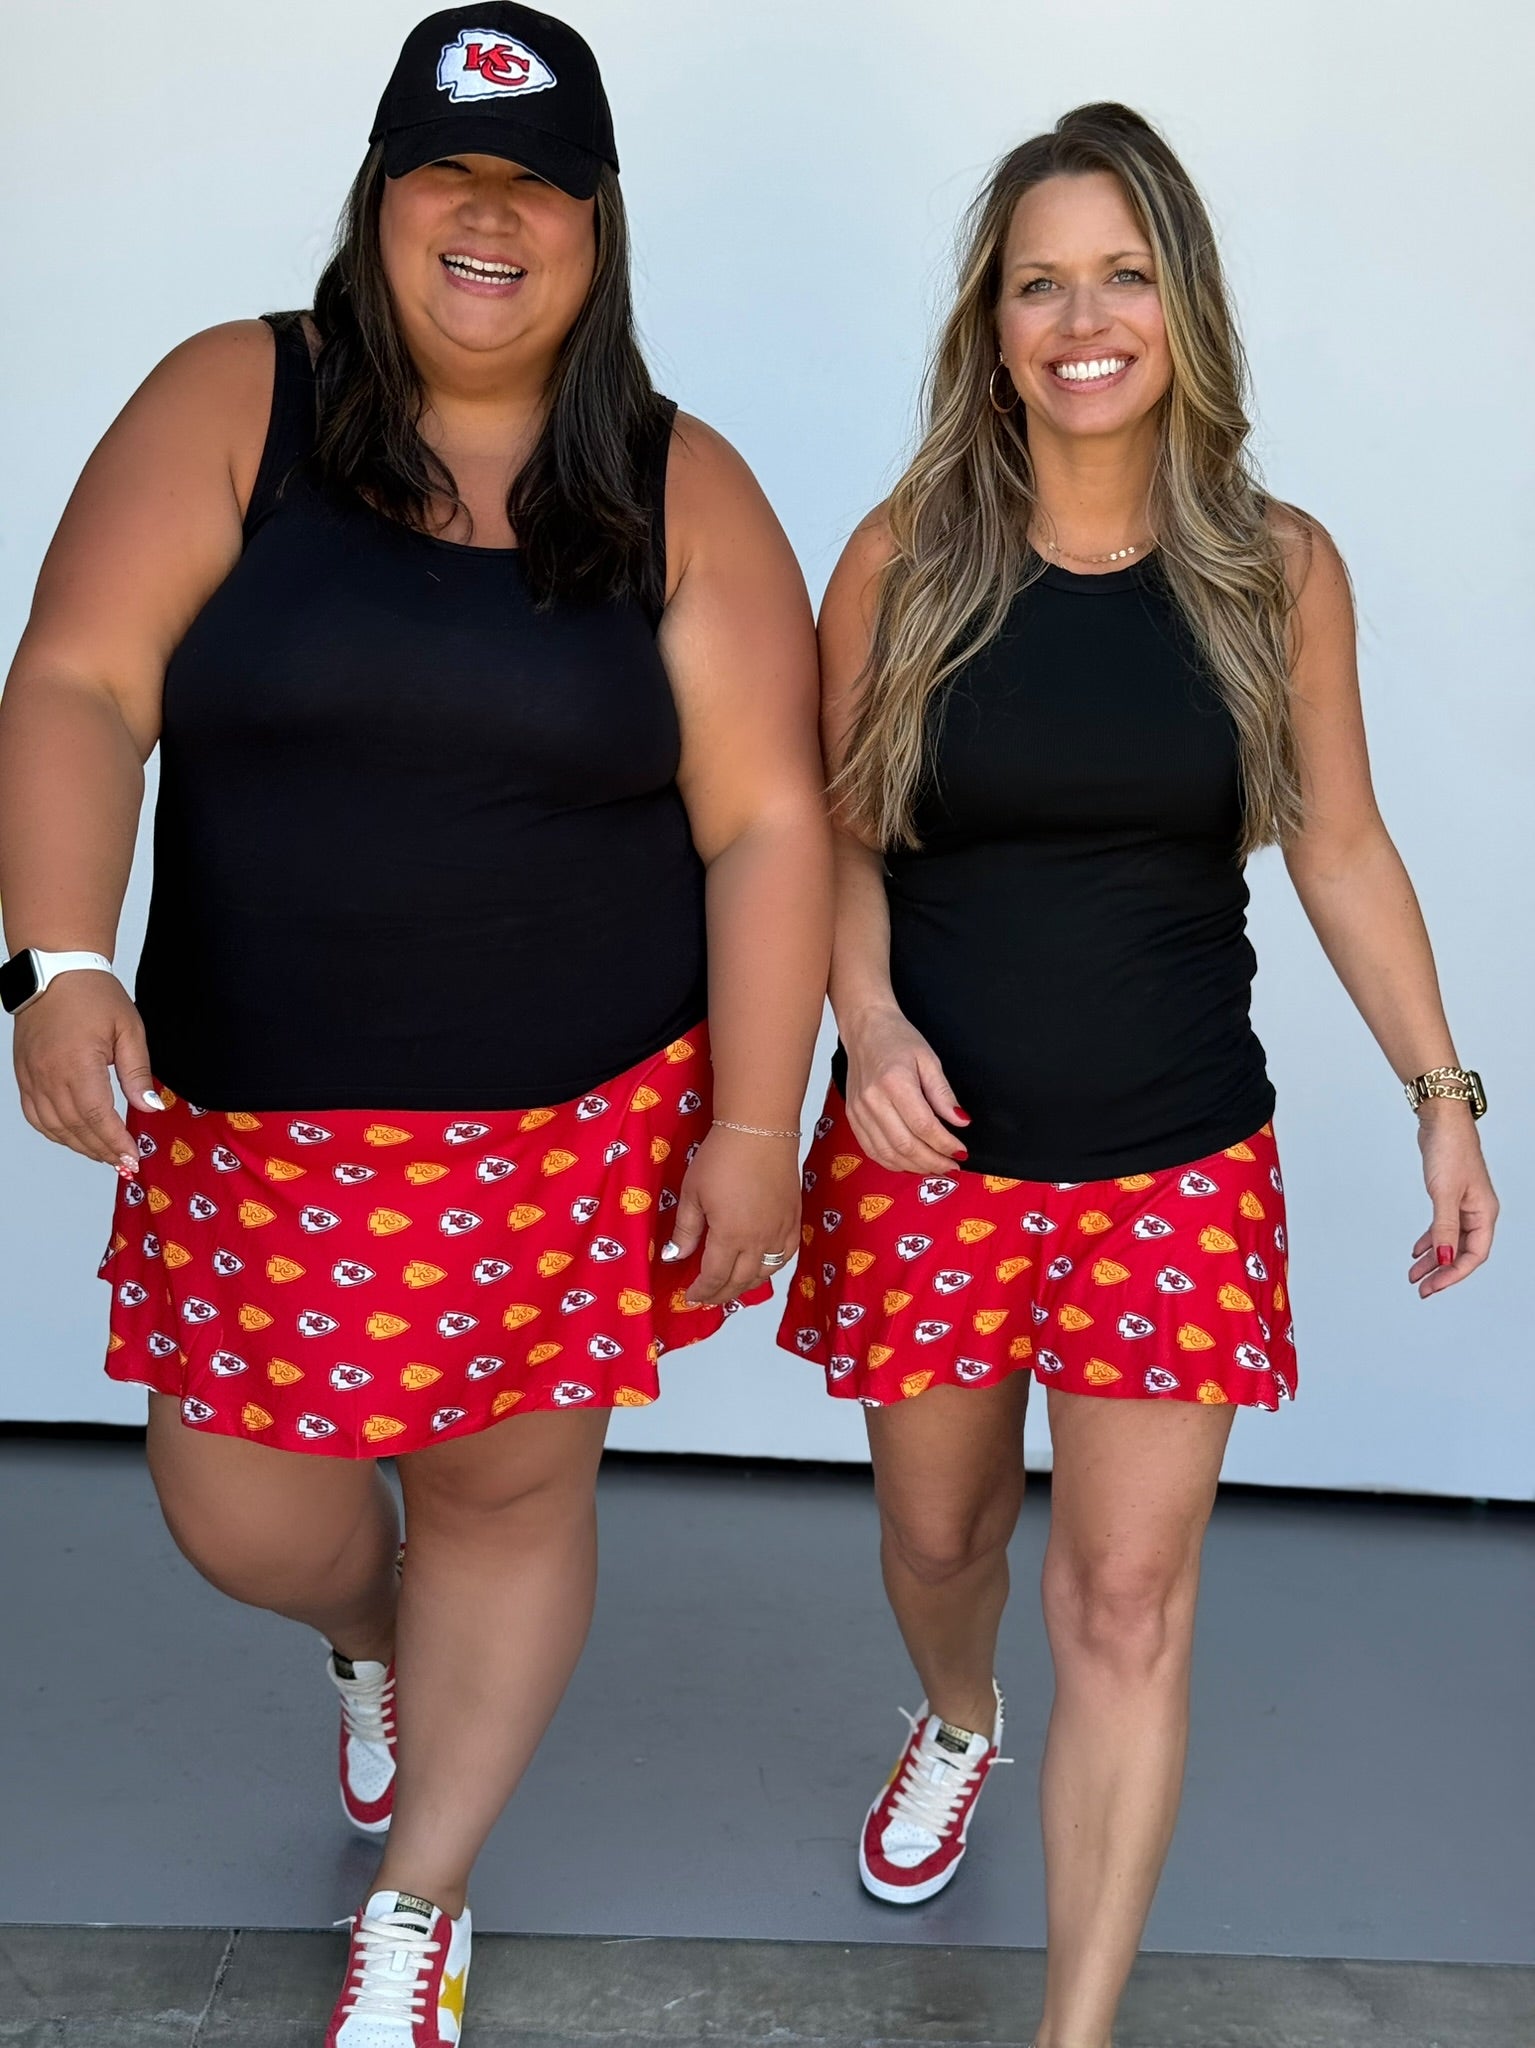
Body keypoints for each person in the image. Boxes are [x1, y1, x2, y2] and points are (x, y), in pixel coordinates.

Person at [0, 6, 829, 2039]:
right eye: (449, 173)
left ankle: (424, 1891)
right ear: (381, 199)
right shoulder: (237, 399)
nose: (491, 216)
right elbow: (81, 680)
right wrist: (58, 957)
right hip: (254, 1118)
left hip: (566, 1123)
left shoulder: (678, 484)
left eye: (538, 184)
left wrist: (751, 1127)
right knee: (238, 1506)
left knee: (502, 1496)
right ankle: (376, 1639)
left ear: (597, 225)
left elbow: (769, 823)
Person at [779, 102, 1495, 2048]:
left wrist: (1445, 1095)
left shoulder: (1274, 568)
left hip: (1176, 1165)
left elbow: (1339, 842)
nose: (1083, 320)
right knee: (943, 1542)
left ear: (1184, 306)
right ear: (992, 324)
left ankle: (1072, 2029)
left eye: (1123, 276)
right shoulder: (904, 559)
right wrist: (873, 1028)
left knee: (1124, 1601)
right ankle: (960, 1716)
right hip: (932, 1161)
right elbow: (831, 832)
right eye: (1042, 284)